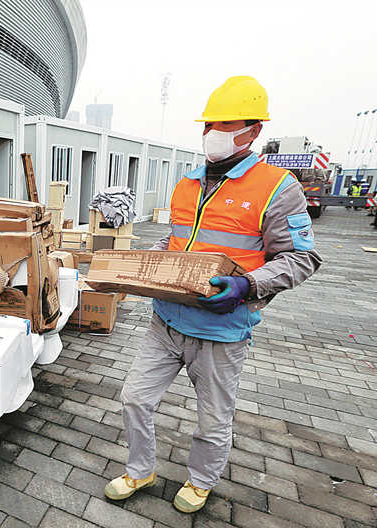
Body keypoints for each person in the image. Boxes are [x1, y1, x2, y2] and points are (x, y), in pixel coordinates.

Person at [104, 76, 322, 513]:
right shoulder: (187, 183)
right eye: (207, 125)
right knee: (134, 398)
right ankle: (141, 469)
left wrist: (247, 285)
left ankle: (201, 481)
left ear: (253, 130)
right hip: (165, 320)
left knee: (213, 420)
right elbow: (176, 242)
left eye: (224, 124)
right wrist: (144, 270)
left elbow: (302, 258)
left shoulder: (278, 188)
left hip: (222, 331)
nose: (212, 134)